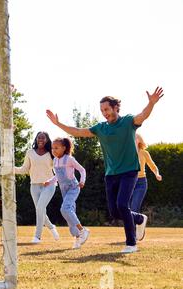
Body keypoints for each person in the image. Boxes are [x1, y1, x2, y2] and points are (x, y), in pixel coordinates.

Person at [46, 87, 164, 253]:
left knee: (122, 205)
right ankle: (139, 218)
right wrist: (58, 124)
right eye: (102, 110)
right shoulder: (101, 128)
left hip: (129, 171)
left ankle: (131, 244)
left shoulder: (128, 122)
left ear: (116, 108)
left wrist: (151, 103)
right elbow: (78, 132)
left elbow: (143, 115)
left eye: (107, 109)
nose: (105, 113)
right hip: (111, 174)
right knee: (115, 212)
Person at [15, 132, 60, 244]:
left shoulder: (52, 153)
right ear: (36, 139)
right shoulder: (30, 152)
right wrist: (10, 168)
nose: (41, 139)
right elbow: (24, 169)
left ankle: (37, 237)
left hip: (48, 185)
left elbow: (59, 170)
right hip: (34, 186)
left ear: (47, 140)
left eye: (43, 138)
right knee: (40, 210)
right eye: (39, 137)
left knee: (40, 208)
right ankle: (51, 226)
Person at [44, 138, 89, 249]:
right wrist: (49, 182)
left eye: (56, 148)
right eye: (52, 148)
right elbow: (58, 176)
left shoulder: (69, 159)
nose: (53, 150)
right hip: (64, 189)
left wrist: (82, 181)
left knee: (65, 209)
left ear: (64, 148)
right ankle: (78, 238)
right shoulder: (54, 161)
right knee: (68, 213)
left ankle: (83, 230)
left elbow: (82, 170)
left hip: (73, 188)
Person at [130, 133, 162, 213]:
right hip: (129, 182)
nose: (133, 139)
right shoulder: (126, 153)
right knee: (125, 207)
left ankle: (136, 223)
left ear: (139, 140)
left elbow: (153, 166)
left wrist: (157, 174)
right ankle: (139, 220)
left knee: (134, 207)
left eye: (136, 138)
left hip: (141, 183)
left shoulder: (144, 153)